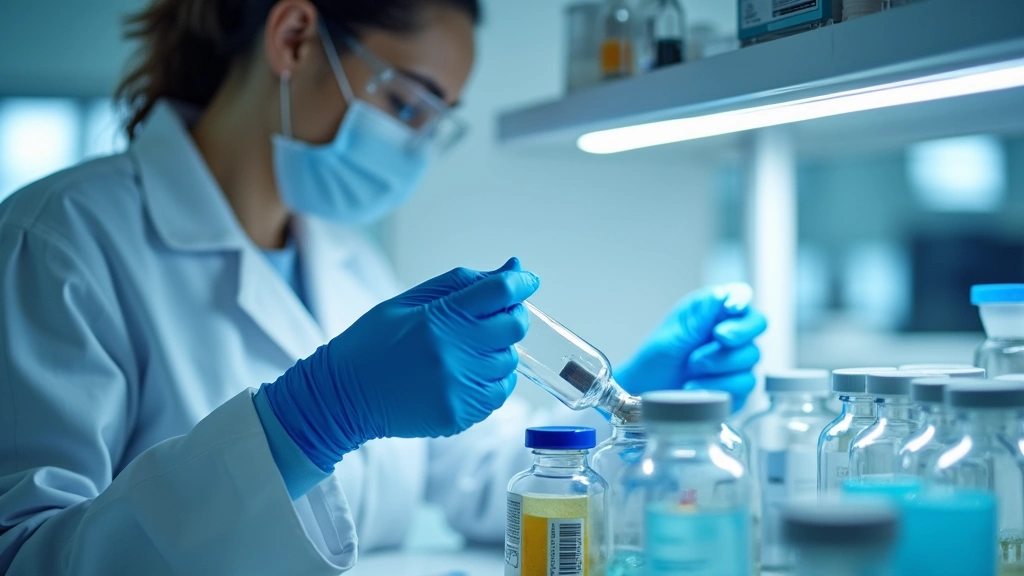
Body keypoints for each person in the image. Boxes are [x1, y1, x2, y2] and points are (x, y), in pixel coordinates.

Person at [0, 0, 767, 574]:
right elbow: (28, 556)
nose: (417, 148)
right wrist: (306, 421)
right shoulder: (60, 241)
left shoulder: (347, 261)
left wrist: (625, 417)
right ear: (294, 39)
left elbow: (477, 480)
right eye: (407, 105)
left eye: (436, 123)